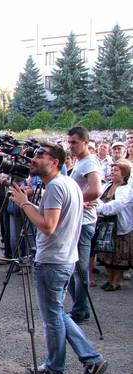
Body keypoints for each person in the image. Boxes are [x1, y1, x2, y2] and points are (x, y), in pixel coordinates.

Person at [9, 142, 107, 374]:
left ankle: (66, 365)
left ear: (54, 162)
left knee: (52, 317)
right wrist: (28, 203)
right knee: (57, 313)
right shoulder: (69, 183)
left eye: (40, 155)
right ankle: (84, 360)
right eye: (34, 154)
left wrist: (24, 203)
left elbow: (48, 226)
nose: (34, 158)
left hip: (53, 260)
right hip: (64, 259)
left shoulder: (55, 186)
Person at [67, 127, 102, 324]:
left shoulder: (89, 162)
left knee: (79, 269)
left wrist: (76, 200)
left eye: (74, 142)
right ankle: (80, 307)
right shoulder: (81, 162)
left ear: (85, 142)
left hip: (84, 222)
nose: (70, 146)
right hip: (77, 220)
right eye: (69, 142)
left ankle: (80, 310)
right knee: (72, 267)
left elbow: (96, 190)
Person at [95, 160, 133, 291]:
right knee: (107, 255)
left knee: (119, 258)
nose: (112, 172)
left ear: (124, 173)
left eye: (116, 170)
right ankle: (110, 279)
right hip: (106, 226)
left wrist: (99, 207)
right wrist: (100, 205)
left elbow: (115, 207)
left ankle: (115, 282)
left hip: (121, 228)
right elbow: (97, 198)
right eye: (112, 169)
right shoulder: (107, 185)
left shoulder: (127, 190)